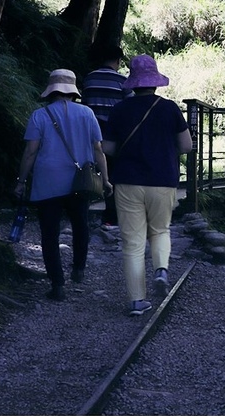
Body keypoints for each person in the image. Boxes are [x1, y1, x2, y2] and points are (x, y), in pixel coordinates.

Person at [103, 54, 192, 316]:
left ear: (132, 81)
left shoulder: (120, 110)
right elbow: (186, 146)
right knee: (161, 230)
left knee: (132, 242)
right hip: (162, 180)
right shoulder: (169, 108)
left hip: (127, 181)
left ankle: (136, 302)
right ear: (155, 81)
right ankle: (161, 270)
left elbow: (108, 147)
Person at [14, 69, 112, 301]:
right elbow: (98, 149)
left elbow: (30, 152)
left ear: (51, 90)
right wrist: (106, 179)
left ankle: (57, 284)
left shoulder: (39, 115)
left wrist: (20, 181)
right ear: (73, 90)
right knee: (80, 225)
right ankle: (78, 268)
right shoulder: (87, 114)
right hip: (80, 182)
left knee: (49, 233)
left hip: (47, 182)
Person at [81, 44, 132, 230]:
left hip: (91, 133)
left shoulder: (90, 78)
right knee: (113, 175)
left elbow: (85, 105)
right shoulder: (122, 81)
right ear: (118, 61)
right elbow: (130, 107)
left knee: (90, 171)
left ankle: (82, 212)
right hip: (113, 134)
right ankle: (110, 216)